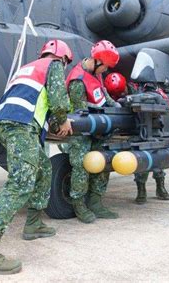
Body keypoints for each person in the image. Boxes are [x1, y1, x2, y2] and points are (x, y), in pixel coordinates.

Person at [0, 39, 74, 274]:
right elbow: (58, 101)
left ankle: (34, 224)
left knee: (43, 169)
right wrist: (63, 120)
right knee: (20, 183)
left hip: (13, 122)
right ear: (63, 58)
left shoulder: (29, 68)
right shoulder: (54, 66)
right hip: (21, 124)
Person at [65, 40, 121, 224]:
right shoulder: (77, 80)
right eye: (105, 67)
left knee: (103, 161)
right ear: (97, 61)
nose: (105, 71)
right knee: (81, 165)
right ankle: (79, 204)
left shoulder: (96, 74)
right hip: (82, 131)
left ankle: (96, 202)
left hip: (98, 128)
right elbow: (80, 114)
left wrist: (118, 107)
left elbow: (103, 95)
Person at [104, 72, 169, 204]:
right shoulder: (116, 96)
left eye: (123, 92)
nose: (122, 95)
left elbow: (158, 99)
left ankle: (160, 187)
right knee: (139, 160)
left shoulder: (141, 89)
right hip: (136, 130)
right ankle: (141, 190)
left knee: (157, 159)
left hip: (153, 128)